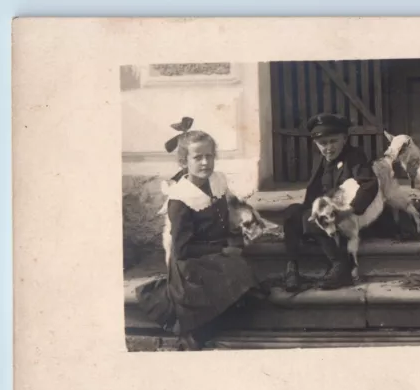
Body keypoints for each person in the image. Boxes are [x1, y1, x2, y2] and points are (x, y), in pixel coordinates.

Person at [135, 118, 264, 351]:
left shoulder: (217, 180)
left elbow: (226, 213)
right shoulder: (181, 199)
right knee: (228, 272)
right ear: (185, 162)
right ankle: (198, 327)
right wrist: (222, 250)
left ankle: (223, 315)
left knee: (240, 269)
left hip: (214, 249)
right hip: (191, 261)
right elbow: (182, 250)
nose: (205, 163)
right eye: (198, 158)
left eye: (209, 156)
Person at [282, 113, 379, 291]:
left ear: (345, 138)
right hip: (327, 211)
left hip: (349, 214)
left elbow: (370, 185)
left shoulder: (355, 156)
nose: (328, 148)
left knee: (316, 216)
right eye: (323, 143)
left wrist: (349, 210)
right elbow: (314, 193)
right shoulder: (320, 159)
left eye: (333, 141)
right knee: (291, 214)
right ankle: (292, 268)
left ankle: (340, 266)